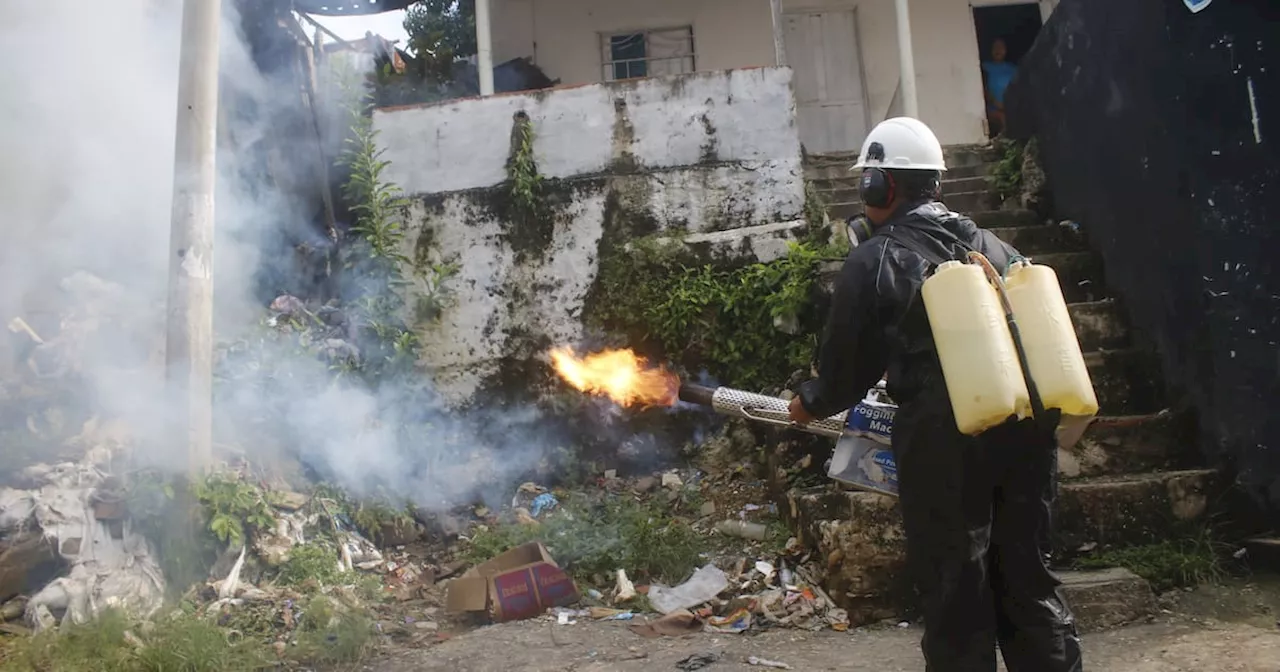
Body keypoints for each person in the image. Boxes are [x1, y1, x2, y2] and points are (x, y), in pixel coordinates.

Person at [786, 117, 1083, 672]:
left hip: (945, 439)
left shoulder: (874, 259)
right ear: (937, 183)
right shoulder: (994, 245)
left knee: (955, 584)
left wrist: (809, 401)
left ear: (882, 186)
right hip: (1026, 425)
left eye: (867, 182)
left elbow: (844, 372)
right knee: (1028, 579)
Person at [981, 38, 1018, 137]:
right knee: (1003, 118)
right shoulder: (984, 67)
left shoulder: (1013, 69)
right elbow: (983, 89)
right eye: (995, 47)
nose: (998, 50)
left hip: (1011, 107)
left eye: (1001, 47)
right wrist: (995, 103)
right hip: (991, 108)